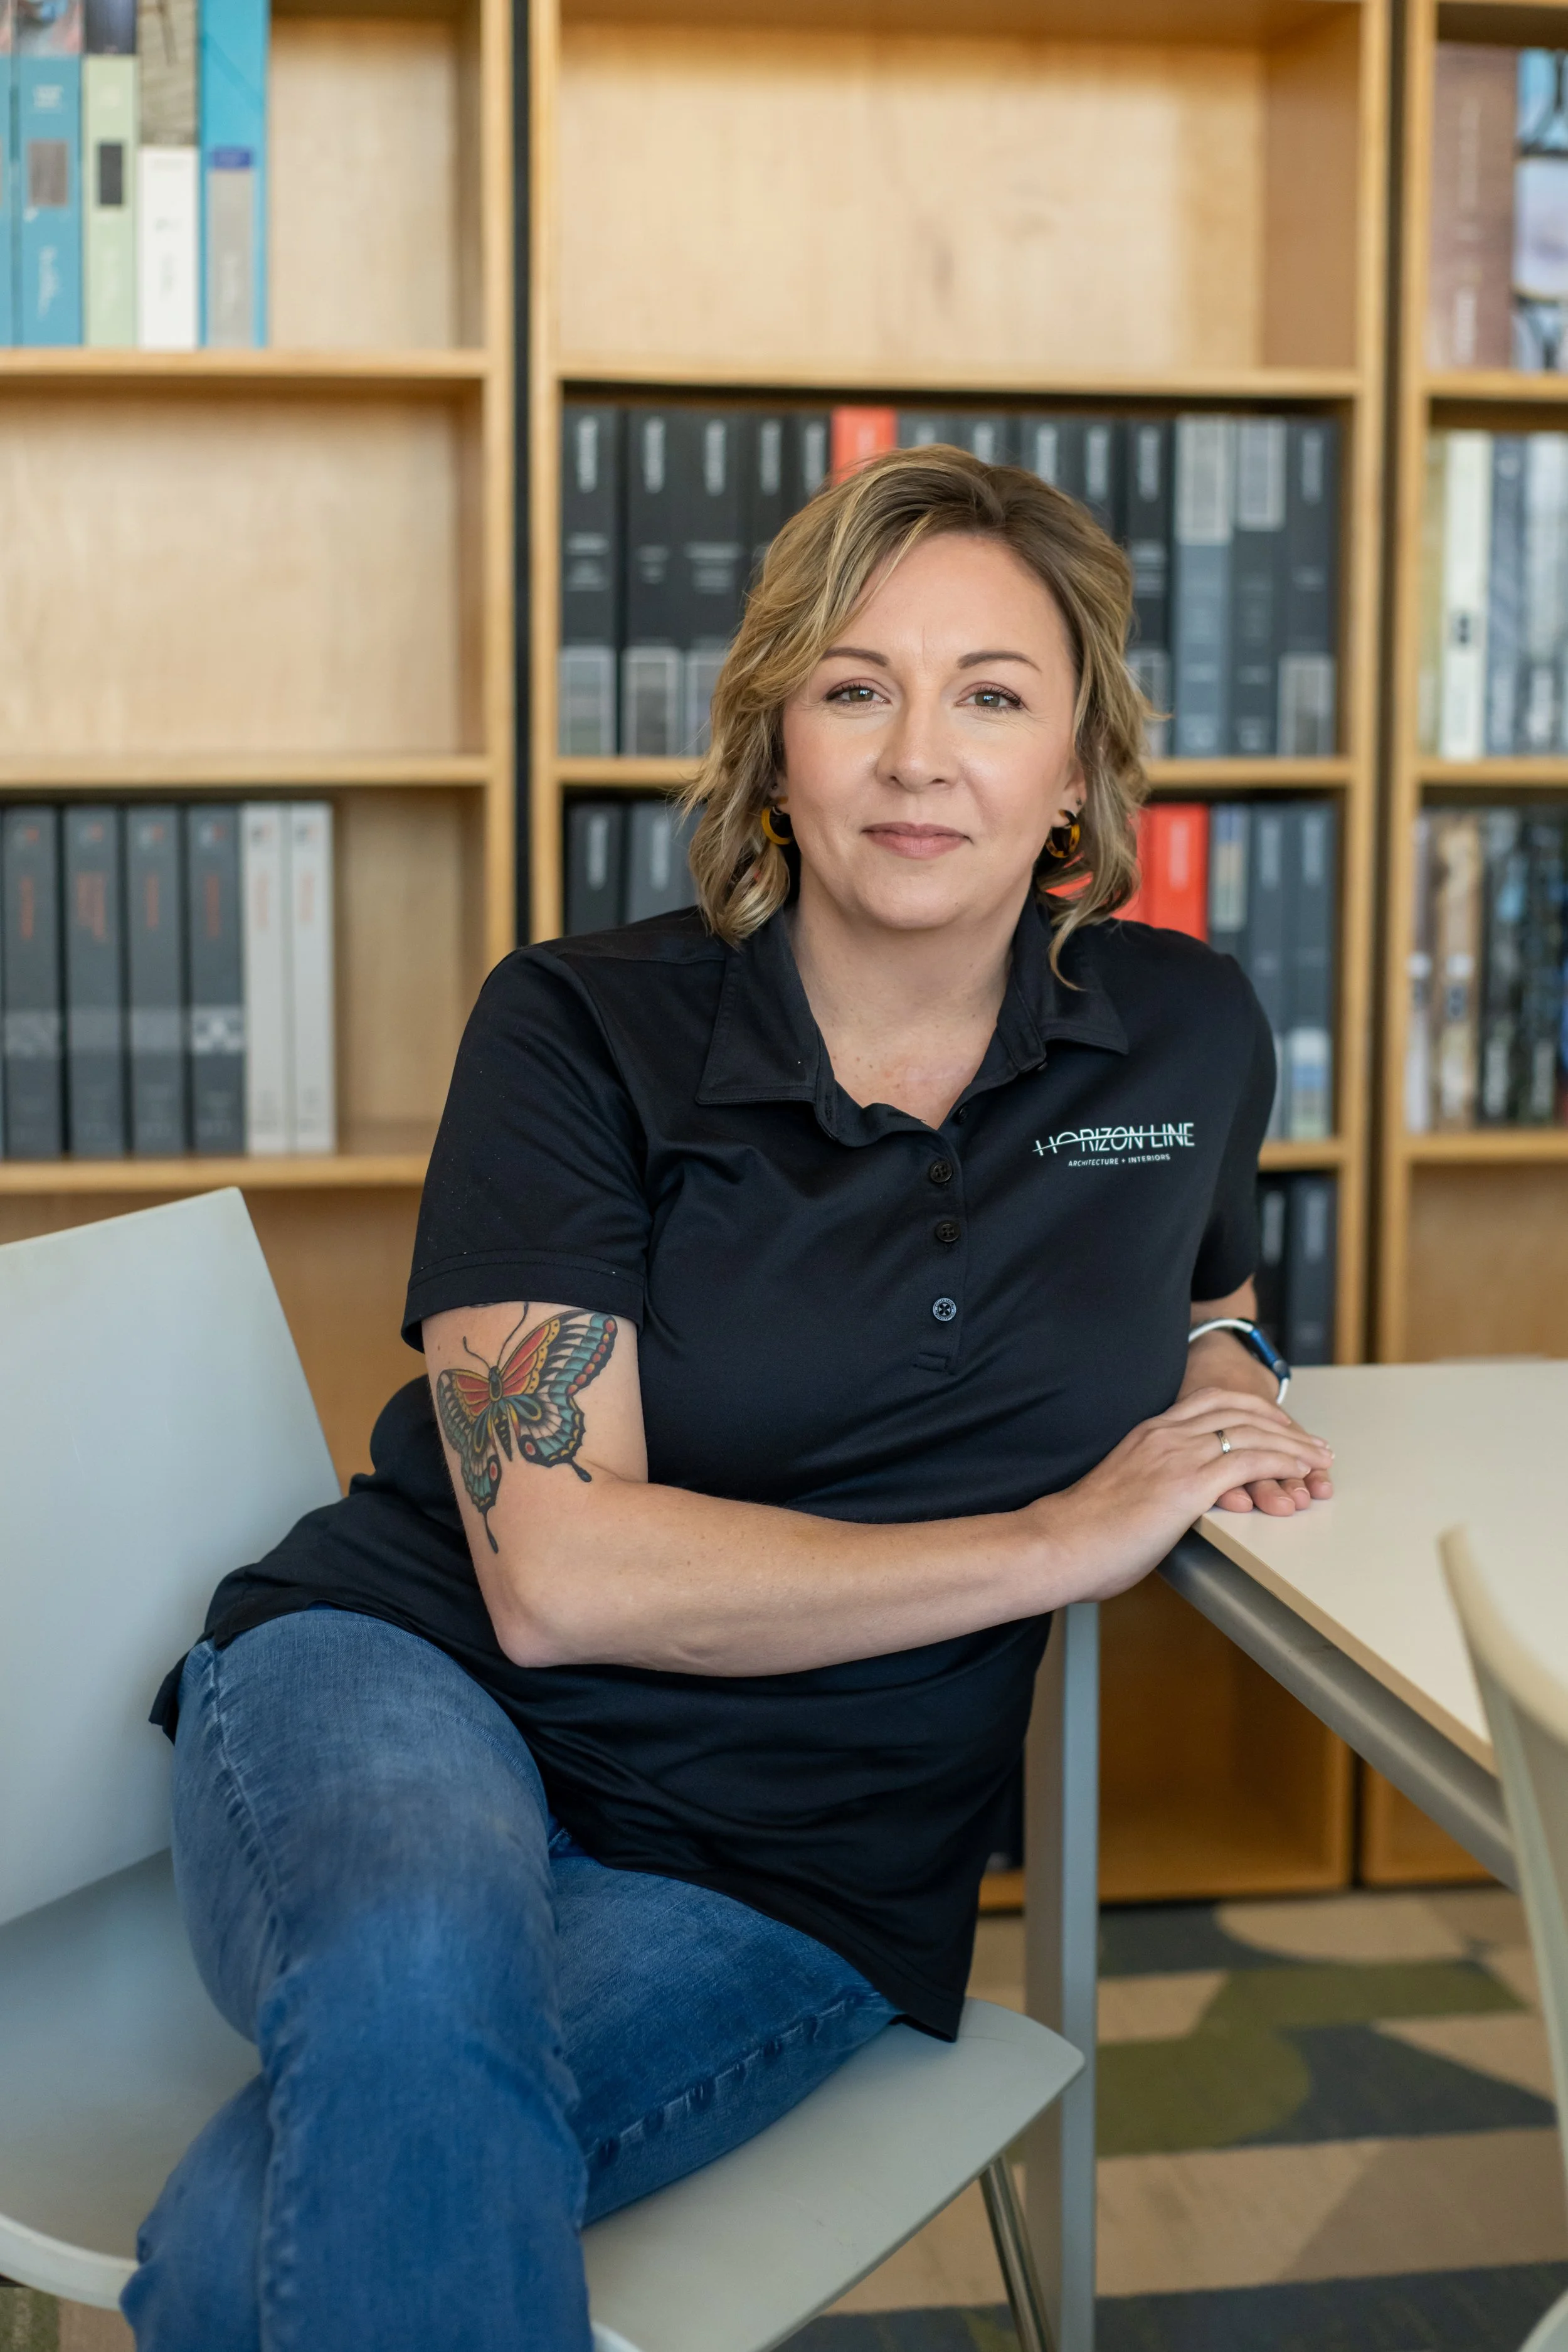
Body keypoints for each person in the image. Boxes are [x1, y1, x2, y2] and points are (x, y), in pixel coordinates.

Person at [124, 444, 1333, 2350]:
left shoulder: (1185, 1034)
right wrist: (1044, 1539)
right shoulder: (579, 1027)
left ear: (1080, 773)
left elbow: (1206, 1287)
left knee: (239, 2234)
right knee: (421, 1959)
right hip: (412, 1674)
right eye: (854, 687)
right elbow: (558, 1576)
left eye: (991, 696)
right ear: (774, 745)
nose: (918, 755)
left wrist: (1228, 1373)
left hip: (800, 1860)